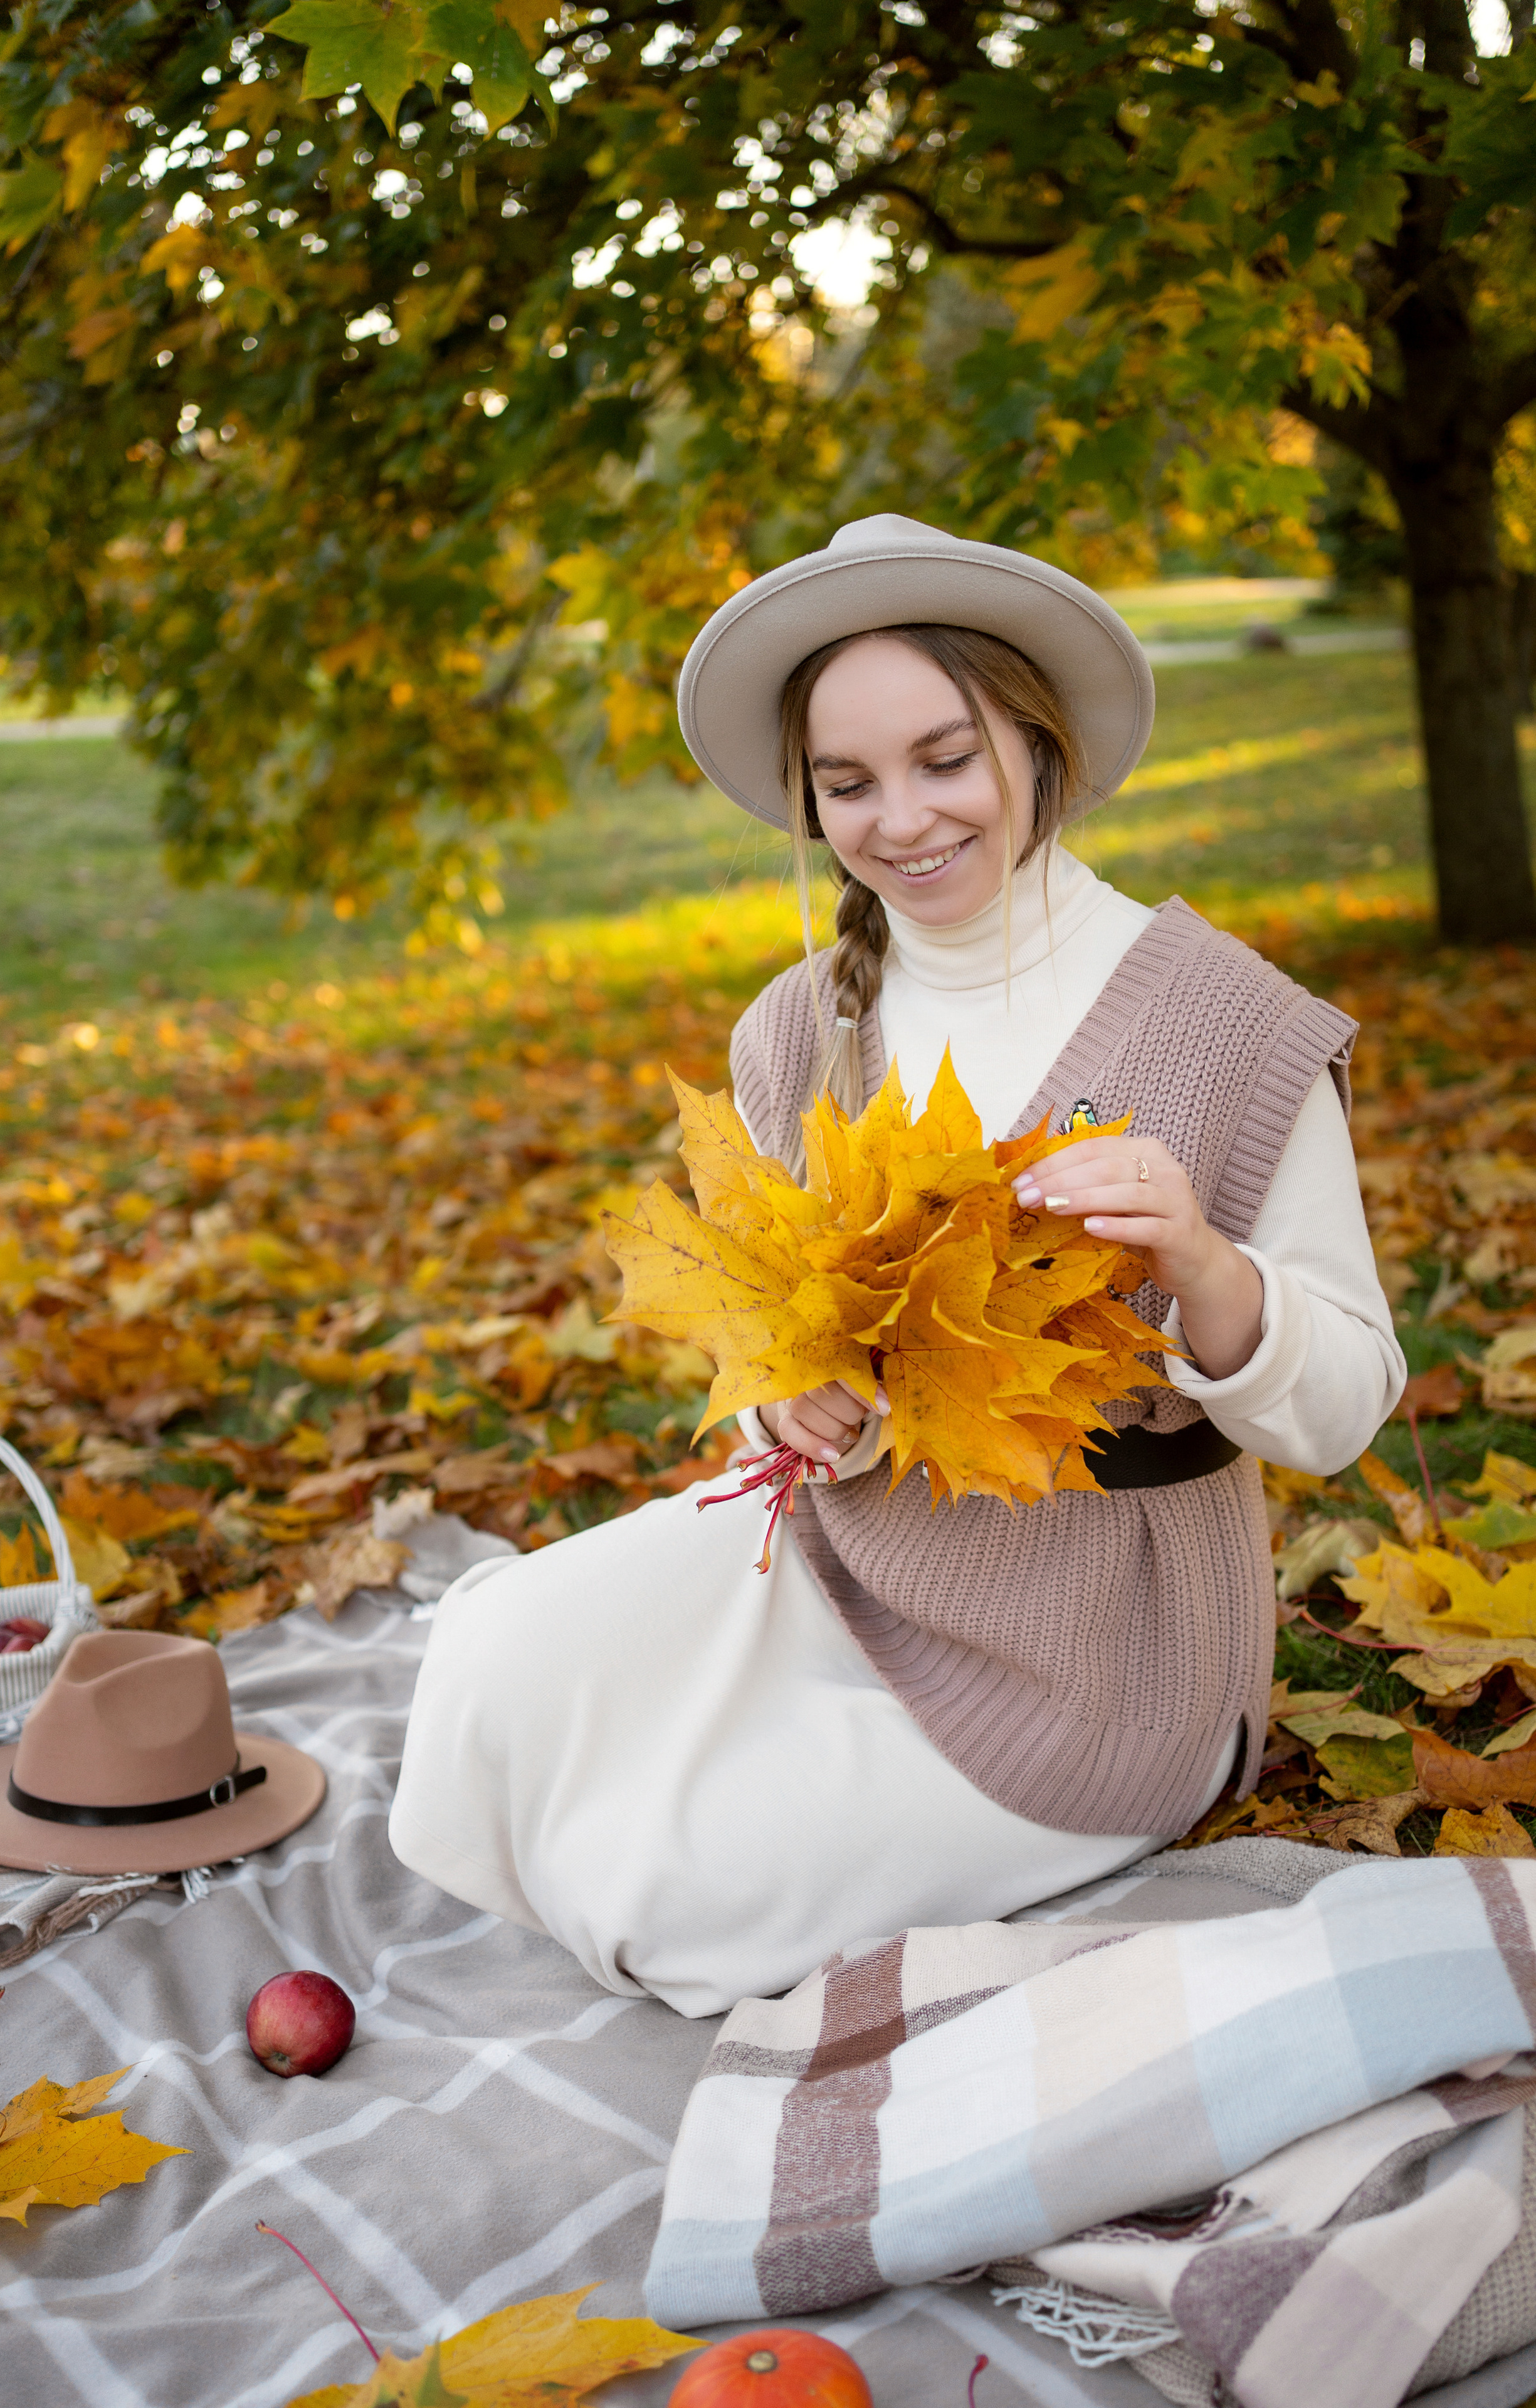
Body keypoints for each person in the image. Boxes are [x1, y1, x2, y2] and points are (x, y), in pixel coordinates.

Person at [389, 515, 1405, 2018]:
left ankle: (871, 1812)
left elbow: (1344, 1407)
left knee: (662, 1898)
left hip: (1097, 1642)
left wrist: (1198, 1259)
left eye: (946, 757)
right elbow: (772, 1333)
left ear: (1036, 743)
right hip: (849, 1554)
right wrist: (780, 1404)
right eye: (846, 781)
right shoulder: (796, 1030)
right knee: (489, 1661)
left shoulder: (1229, 1027)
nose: (901, 819)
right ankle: (749, 1759)